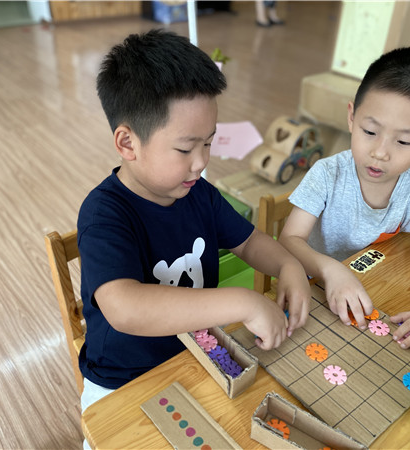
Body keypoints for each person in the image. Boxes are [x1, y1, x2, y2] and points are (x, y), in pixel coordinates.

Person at [77, 29, 311, 410]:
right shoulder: (103, 214)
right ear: (127, 143)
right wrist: (242, 302)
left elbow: (250, 242)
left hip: (199, 356)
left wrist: (288, 265)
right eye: (186, 148)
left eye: (208, 142)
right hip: (122, 381)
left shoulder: (199, 193)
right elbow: (125, 308)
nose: (201, 162)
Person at [279, 47, 410, 358]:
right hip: (313, 284)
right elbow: (289, 239)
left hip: (374, 286)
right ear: (352, 117)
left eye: (403, 141)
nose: (380, 152)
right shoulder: (327, 174)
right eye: (369, 131)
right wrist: (331, 270)